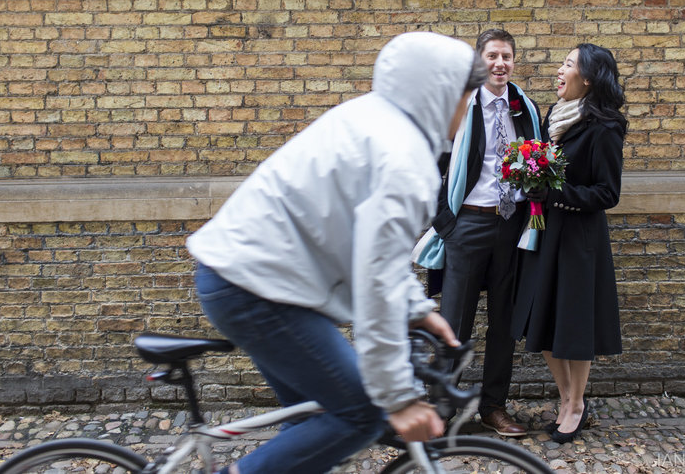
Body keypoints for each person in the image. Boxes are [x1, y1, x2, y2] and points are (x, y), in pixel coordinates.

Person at [186, 32, 489, 474]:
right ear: (442, 93)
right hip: (259, 288)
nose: (467, 111)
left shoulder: (372, 119)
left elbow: (370, 247)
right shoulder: (403, 159)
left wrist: (417, 309)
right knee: (361, 414)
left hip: (251, 277)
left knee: (314, 428)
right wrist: (399, 398)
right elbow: (377, 279)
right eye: (467, 97)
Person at [417, 29, 541, 437]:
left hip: (510, 227)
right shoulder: (460, 107)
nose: (500, 63)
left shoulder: (525, 109)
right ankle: (442, 409)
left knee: (504, 322)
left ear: (513, 61)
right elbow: (430, 169)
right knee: (454, 322)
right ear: (479, 62)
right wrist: (446, 226)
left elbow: (538, 162)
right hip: (466, 224)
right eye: (492, 56)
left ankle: (493, 407)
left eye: (506, 56)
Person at [512, 43, 628, 444]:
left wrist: (555, 191)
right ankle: (565, 397)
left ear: (589, 78)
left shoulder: (605, 127)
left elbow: (606, 193)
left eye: (567, 64)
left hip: (579, 239)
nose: (558, 70)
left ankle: (576, 404)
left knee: (573, 323)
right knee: (541, 318)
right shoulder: (553, 118)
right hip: (544, 232)